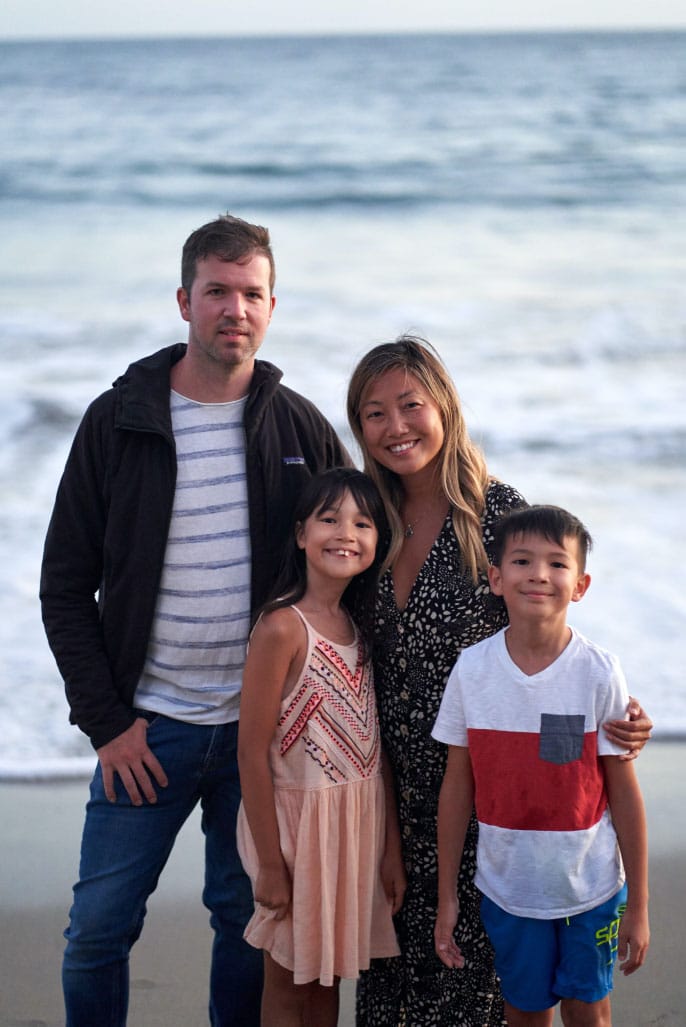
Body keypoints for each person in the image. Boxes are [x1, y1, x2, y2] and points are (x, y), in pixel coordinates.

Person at [39, 214, 350, 1027]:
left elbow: (360, 552)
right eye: (217, 291)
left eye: (251, 293)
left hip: (264, 735)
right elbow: (64, 586)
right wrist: (108, 725)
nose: (234, 309)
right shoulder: (117, 421)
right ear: (184, 301)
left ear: (273, 305)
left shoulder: (299, 427)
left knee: (245, 922)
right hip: (148, 731)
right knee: (97, 929)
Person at [345, 335, 653, 1026]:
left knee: (500, 997)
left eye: (410, 405)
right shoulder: (366, 518)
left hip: (499, 805)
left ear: (444, 408)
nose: (395, 426)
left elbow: (551, 626)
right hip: (390, 792)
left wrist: (619, 712)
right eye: (374, 412)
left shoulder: (497, 514)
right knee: (396, 992)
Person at [433, 504, 650, 1026]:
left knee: (588, 1011)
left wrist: (639, 906)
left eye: (557, 563)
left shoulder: (599, 671)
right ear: (495, 578)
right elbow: (457, 787)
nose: (538, 574)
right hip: (508, 888)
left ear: (580, 585)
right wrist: (446, 897)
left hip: (592, 887)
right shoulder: (472, 670)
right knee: (525, 1014)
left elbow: (623, 791)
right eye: (522, 561)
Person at [236, 467, 405, 1027]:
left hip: (354, 828)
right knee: (288, 981)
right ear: (301, 534)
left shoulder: (358, 625)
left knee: (327, 976)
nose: (345, 534)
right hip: (296, 832)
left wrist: (390, 848)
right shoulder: (282, 628)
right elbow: (250, 753)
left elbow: (373, 749)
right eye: (329, 519)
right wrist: (270, 865)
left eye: (362, 523)